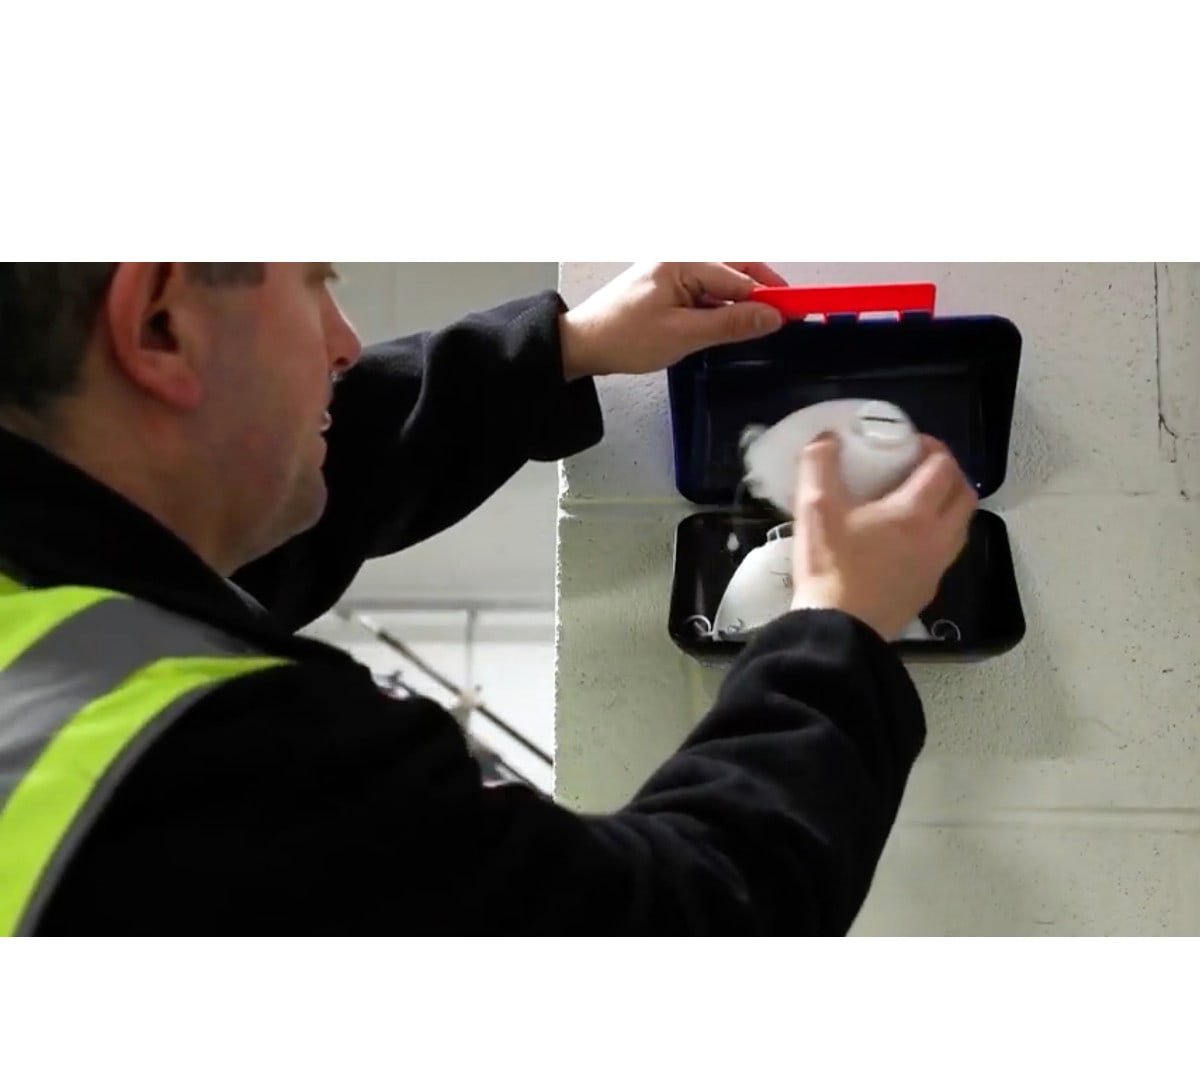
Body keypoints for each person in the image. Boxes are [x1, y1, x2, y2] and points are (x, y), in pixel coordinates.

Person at [0, 262, 976, 935]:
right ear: (161, 324)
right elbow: (680, 925)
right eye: (313, 285)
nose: (344, 344)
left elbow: (286, 488)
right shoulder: (213, 759)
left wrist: (560, 348)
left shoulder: (46, 617)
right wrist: (836, 630)